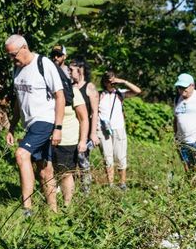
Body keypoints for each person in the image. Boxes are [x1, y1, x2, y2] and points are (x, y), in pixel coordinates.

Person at [3, 35, 65, 216]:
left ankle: (26, 209)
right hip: (29, 125)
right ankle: (54, 212)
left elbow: (59, 95)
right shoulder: (17, 70)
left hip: (45, 120)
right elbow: (18, 102)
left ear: (24, 47)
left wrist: (58, 128)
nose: (12, 59)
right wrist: (12, 127)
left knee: (21, 154)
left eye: (14, 54)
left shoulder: (43, 64)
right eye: (8, 56)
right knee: (45, 170)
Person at [97, 70, 142, 189]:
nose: (111, 83)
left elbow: (137, 91)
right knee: (107, 157)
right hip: (103, 129)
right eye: (108, 81)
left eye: (113, 80)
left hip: (118, 128)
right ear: (104, 82)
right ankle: (111, 184)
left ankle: (122, 183)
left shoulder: (120, 94)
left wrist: (123, 81)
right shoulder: (99, 95)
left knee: (120, 156)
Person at [51, 71, 88, 210]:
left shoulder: (73, 92)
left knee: (65, 173)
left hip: (67, 139)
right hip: (48, 138)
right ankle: (52, 206)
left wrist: (83, 140)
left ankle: (67, 206)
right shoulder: (47, 93)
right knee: (49, 172)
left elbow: (84, 118)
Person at [69, 58, 101, 191]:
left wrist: (93, 133)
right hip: (70, 131)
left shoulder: (89, 87)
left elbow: (94, 112)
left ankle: (85, 192)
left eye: (71, 70)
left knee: (83, 163)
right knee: (70, 163)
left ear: (80, 70)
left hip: (85, 131)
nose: (69, 73)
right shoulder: (69, 87)